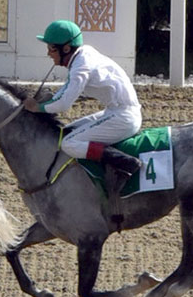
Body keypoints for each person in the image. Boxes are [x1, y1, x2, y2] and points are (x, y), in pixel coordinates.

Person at [24, 20, 142, 180]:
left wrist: (38, 108)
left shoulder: (81, 66)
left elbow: (64, 104)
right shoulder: (82, 55)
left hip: (124, 118)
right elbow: (64, 91)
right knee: (66, 133)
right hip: (115, 112)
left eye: (51, 48)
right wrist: (47, 100)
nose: (48, 53)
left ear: (66, 48)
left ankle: (125, 162)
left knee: (69, 143)